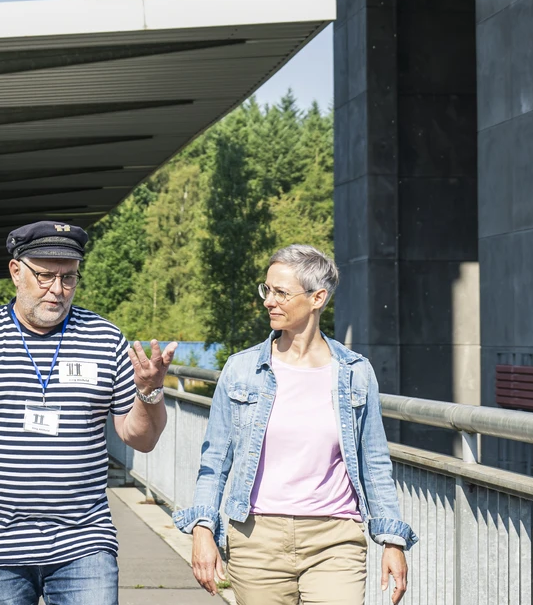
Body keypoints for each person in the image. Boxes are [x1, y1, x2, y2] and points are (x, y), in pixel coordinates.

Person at [0, 221, 177, 605]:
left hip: (83, 541)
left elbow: (141, 438)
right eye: (45, 275)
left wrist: (149, 392)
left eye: (69, 278)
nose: (58, 289)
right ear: (16, 271)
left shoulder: (104, 338)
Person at [173, 244, 415, 605]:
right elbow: (214, 462)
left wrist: (392, 540)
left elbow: (375, 463)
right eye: (267, 290)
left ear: (317, 298)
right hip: (257, 540)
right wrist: (203, 529)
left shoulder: (354, 373)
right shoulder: (241, 370)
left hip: (335, 540)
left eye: (281, 293)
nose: (269, 301)